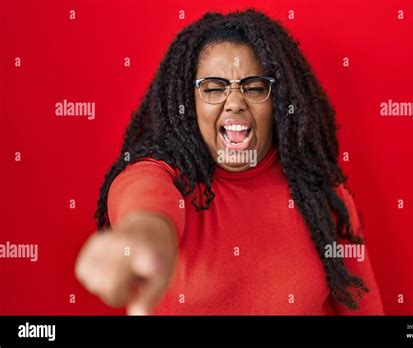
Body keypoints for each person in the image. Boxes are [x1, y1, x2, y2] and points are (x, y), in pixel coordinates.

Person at [75, 9, 384, 316]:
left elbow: (364, 307)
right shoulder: (160, 175)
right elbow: (145, 205)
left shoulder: (319, 194)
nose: (235, 103)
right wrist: (139, 239)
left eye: (253, 87)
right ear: (189, 101)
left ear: (277, 99)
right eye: (213, 88)